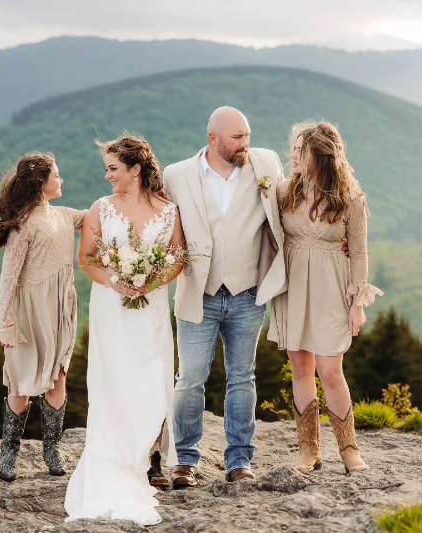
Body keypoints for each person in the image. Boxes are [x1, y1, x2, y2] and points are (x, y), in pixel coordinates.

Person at [163, 107, 287, 486]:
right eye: (237, 137)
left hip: (249, 292)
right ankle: (185, 459)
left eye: (248, 135)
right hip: (197, 293)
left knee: (242, 377)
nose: (245, 144)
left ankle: (239, 461)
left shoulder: (266, 163)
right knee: (190, 378)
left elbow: (286, 209)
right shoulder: (176, 175)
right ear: (213, 138)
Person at [64, 134, 185, 526]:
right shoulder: (101, 209)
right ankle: (116, 456)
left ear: (135, 169)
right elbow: (86, 259)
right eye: (107, 169)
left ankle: (147, 455)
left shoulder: (169, 212)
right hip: (111, 307)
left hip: (150, 308)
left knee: (150, 377)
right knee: (115, 378)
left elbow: (177, 259)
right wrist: (115, 281)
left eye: (113, 169)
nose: (108, 176)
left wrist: (150, 281)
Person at [268, 120, 383, 473]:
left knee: (331, 370)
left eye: (299, 149)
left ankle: (349, 449)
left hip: (331, 286)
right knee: (300, 367)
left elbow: (360, 254)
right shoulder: (284, 190)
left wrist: (356, 304)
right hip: (292, 286)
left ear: (319, 155)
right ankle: (309, 450)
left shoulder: (351, 199)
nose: (292, 155)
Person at [0, 152, 84, 481]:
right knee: (20, 382)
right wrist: (6, 321)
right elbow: (8, 276)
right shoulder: (24, 224)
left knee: (58, 376)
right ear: (41, 183)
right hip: (27, 313)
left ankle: (51, 448)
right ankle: (9, 451)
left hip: (57, 310)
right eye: (56, 175)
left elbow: (97, 215)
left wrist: (135, 195)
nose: (61, 180)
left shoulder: (64, 216)